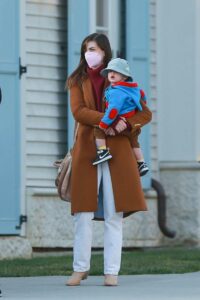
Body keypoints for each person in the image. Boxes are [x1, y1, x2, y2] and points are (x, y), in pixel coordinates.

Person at [66, 33, 152, 286]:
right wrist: (110, 119)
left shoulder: (120, 77)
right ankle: (79, 269)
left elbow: (144, 113)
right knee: (83, 213)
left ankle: (111, 271)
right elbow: (78, 111)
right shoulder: (76, 79)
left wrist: (127, 123)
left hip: (119, 152)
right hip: (86, 149)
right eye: (85, 49)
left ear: (104, 51)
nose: (88, 53)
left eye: (92, 48)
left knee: (115, 213)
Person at [92, 57, 149, 176]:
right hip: (133, 129)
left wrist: (105, 124)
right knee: (135, 143)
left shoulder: (116, 91)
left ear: (124, 76)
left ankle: (103, 152)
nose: (112, 74)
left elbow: (113, 110)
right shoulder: (133, 89)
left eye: (116, 72)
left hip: (120, 125)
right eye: (110, 71)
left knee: (98, 130)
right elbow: (143, 97)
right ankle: (142, 163)